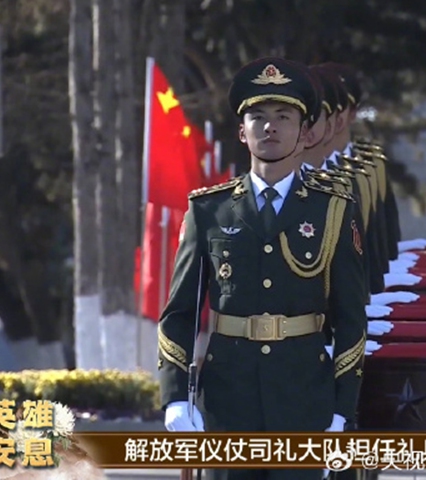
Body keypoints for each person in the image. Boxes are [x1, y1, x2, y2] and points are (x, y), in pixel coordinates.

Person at [158, 57, 368, 480]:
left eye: (283, 116)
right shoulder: (209, 210)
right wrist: (176, 399)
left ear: (305, 132)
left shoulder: (333, 210)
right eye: (257, 116)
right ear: (241, 131)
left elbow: (351, 321)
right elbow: (179, 313)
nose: (269, 127)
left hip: (304, 396)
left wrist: (342, 412)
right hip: (227, 397)